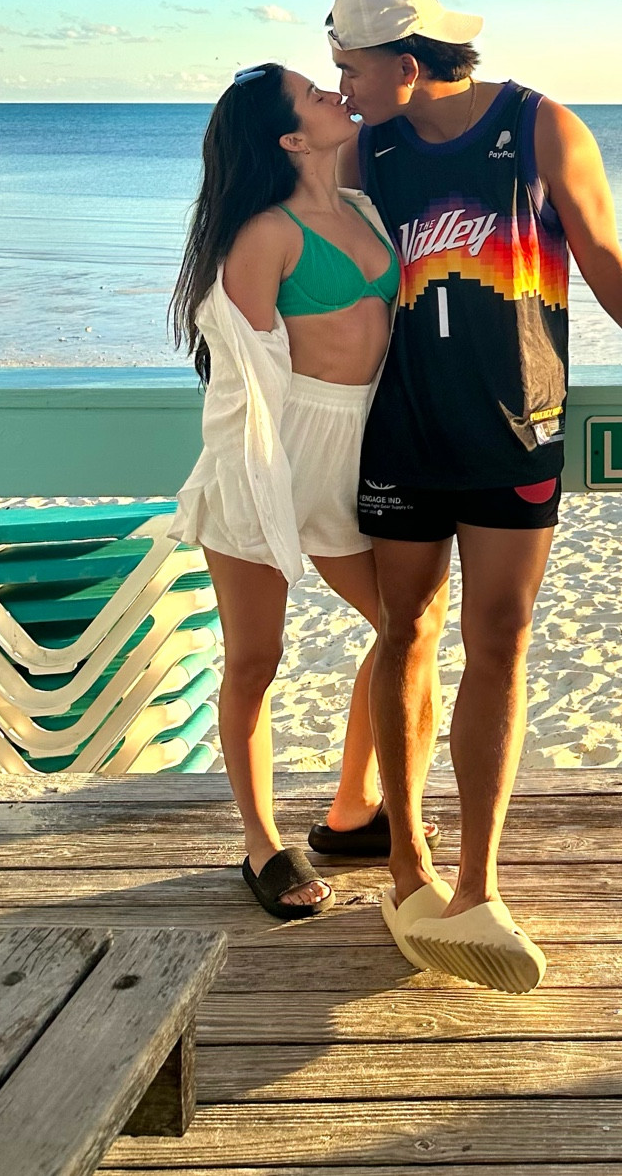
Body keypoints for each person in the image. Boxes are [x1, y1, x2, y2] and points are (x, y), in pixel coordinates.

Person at [329, 0, 622, 989]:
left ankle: (478, 880)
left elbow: (599, 251)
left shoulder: (540, 127)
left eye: (352, 68)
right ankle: (407, 863)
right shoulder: (365, 150)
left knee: (500, 639)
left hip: (517, 431)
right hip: (398, 432)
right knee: (404, 631)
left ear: (408, 63)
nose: (341, 87)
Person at [170, 62, 434, 919]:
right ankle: (261, 844)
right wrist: (255, 485)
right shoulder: (265, 234)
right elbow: (240, 378)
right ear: (290, 138)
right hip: (272, 457)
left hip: (361, 450)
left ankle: (354, 808)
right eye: (314, 93)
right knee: (256, 658)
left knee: (407, 629)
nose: (332, 92)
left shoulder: (360, 207)